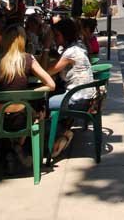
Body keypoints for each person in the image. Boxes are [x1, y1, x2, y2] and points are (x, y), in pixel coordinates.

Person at [0, 24, 55, 171]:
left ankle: (10, 150)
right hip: (21, 118)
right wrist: (31, 92)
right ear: (23, 41)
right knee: (39, 108)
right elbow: (51, 85)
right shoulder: (28, 59)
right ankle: (18, 145)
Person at [44, 19, 95, 157]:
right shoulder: (77, 46)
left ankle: (56, 136)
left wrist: (46, 48)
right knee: (53, 96)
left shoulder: (71, 52)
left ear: (65, 35)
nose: (55, 38)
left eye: (57, 35)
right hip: (86, 96)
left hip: (77, 99)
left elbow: (47, 72)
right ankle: (61, 132)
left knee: (42, 104)